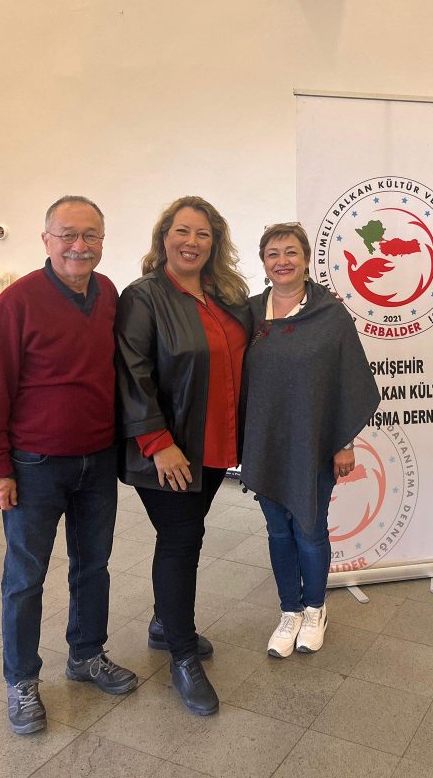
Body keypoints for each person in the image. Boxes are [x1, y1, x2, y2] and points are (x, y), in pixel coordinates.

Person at [0, 196, 138, 737]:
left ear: (103, 241)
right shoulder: (16, 302)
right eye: (67, 234)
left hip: (98, 459)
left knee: (93, 566)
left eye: (91, 235)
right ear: (46, 239)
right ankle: (21, 680)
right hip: (35, 465)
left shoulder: (108, 293)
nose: (79, 246)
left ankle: (86, 655)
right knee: (25, 577)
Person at [115, 196, 250, 715]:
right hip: (168, 451)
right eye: (182, 231)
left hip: (214, 444)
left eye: (203, 234)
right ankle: (182, 654)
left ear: (215, 243)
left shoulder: (225, 294)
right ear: (164, 237)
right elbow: (133, 372)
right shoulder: (143, 297)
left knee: (187, 534)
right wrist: (158, 442)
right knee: (180, 541)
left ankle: (163, 622)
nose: (191, 242)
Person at [240, 222, 380, 658]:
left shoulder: (330, 314)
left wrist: (344, 441)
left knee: (309, 528)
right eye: (273, 254)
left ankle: (316, 610)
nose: (282, 261)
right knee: (277, 531)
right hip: (265, 441)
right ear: (263, 263)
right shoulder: (249, 313)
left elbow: (348, 378)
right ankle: (290, 611)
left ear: (306, 260)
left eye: (290, 252)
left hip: (314, 441)